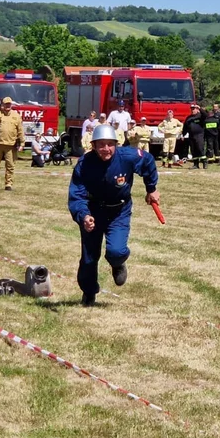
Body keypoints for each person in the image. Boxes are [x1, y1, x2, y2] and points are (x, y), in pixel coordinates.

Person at [68, 124, 159, 307]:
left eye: (110, 144)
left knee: (116, 251)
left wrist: (152, 189)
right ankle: (89, 293)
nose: (106, 149)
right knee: (89, 258)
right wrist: (84, 216)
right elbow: (76, 195)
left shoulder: (128, 156)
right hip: (93, 212)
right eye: (101, 145)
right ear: (93, 145)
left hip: (119, 211)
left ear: (116, 144)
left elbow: (148, 161)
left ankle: (117, 263)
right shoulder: (84, 164)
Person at [0, 96, 24, 191]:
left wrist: (22, 143)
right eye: (6, 104)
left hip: (11, 146)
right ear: (2, 105)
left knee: (10, 166)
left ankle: (8, 184)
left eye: (9, 104)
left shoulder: (16, 116)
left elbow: (20, 131)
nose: (7, 106)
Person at [183, 103, 207, 169]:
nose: (192, 110)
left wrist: (200, 108)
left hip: (199, 135)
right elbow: (185, 127)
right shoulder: (188, 118)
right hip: (191, 135)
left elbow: (205, 115)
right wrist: (183, 134)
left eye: (194, 109)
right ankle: (196, 164)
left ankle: (205, 163)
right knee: (193, 150)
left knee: (200, 149)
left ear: (197, 109)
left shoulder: (200, 116)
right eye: (192, 109)